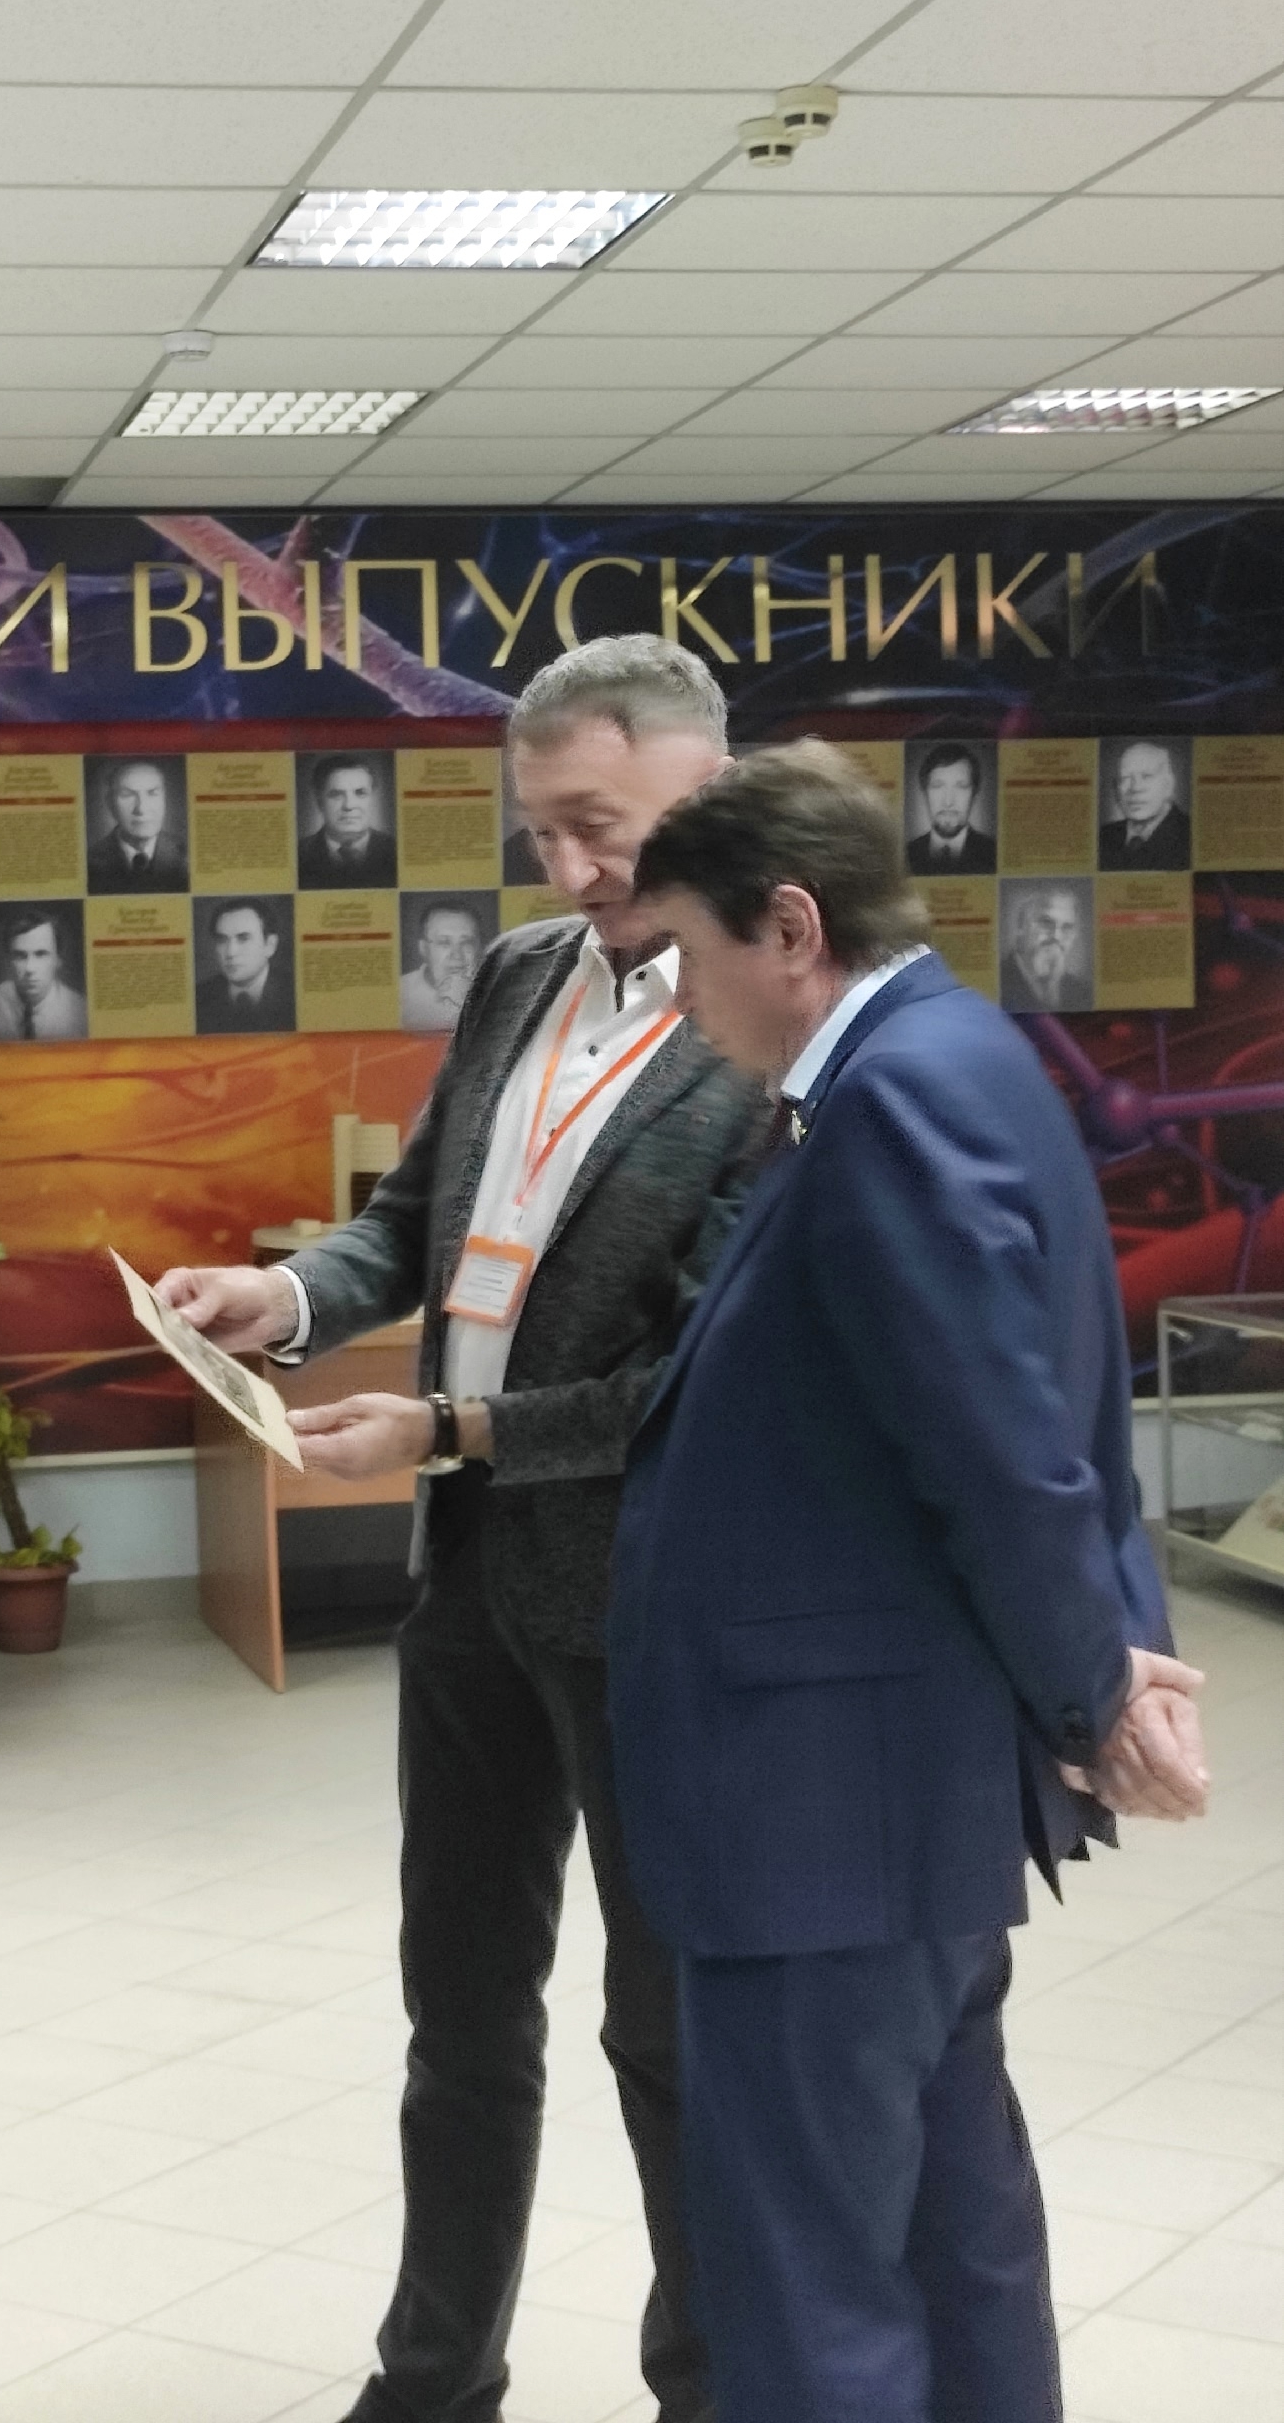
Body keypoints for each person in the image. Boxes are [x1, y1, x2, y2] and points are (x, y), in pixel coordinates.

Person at [157, 634, 766, 2423]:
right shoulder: (519, 977)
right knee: (459, 2012)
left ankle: (710, 2387)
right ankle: (430, 2382)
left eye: (601, 827)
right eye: (542, 831)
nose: (570, 869)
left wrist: (443, 1427)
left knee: (667, 2036)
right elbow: (416, 1220)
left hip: (644, 1605)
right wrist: (288, 1294)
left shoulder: (770, 1025)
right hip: (473, 1581)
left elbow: (697, 1380)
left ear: (710, 791)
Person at [609, 741, 1210, 2423]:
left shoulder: (890, 1101)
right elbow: (1047, 1417)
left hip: (824, 1812)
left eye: (688, 958)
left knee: (809, 2278)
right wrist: (1106, 1660)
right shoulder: (962, 1056)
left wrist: (1095, 1693)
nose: (679, 1005)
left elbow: (1004, 1450)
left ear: (789, 928)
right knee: (954, 2242)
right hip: (891, 1801)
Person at [0, 908, 86, 1040]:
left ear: (58, 959)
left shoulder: (81, 1013)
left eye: (41, 954)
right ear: (8, 960)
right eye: (20, 956)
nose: (30, 968)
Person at [87, 756, 188, 891]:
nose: (141, 809)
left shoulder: (187, 856)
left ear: (165, 799)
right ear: (110, 803)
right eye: (127, 795)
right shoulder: (88, 861)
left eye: (152, 793)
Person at [195, 898, 293, 1033]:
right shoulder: (199, 997)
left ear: (270, 945)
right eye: (222, 940)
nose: (230, 952)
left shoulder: (294, 993)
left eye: (243, 938)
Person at [298, 753, 397, 888]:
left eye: (360, 793)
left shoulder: (396, 851)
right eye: (336, 795)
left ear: (373, 798)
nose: (349, 806)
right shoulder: (298, 855)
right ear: (320, 801)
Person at [1100, 739, 1191, 870]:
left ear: (1168, 785)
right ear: (1116, 789)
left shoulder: (1191, 835)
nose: (1135, 788)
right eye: (1125, 778)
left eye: (1147, 776)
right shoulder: (1102, 836)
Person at [905, 745, 997, 874]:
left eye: (961, 787)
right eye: (937, 786)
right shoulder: (905, 855)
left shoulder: (995, 853)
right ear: (925, 792)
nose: (948, 802)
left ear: (974, 794)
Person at [1002, 882, 1092, 1012]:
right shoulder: (996, 982)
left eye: (1067, 927)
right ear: (1021, 925)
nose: (1057, 936)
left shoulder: (1083, 992)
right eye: (1046, 922)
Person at [399, 900, 484, 1031]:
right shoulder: (398, 993)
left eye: (466, 942)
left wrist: (472, 1003)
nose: (457, 955)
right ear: (424, 949)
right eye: (444, 942)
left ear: (478, 948)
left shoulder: (499, 992)